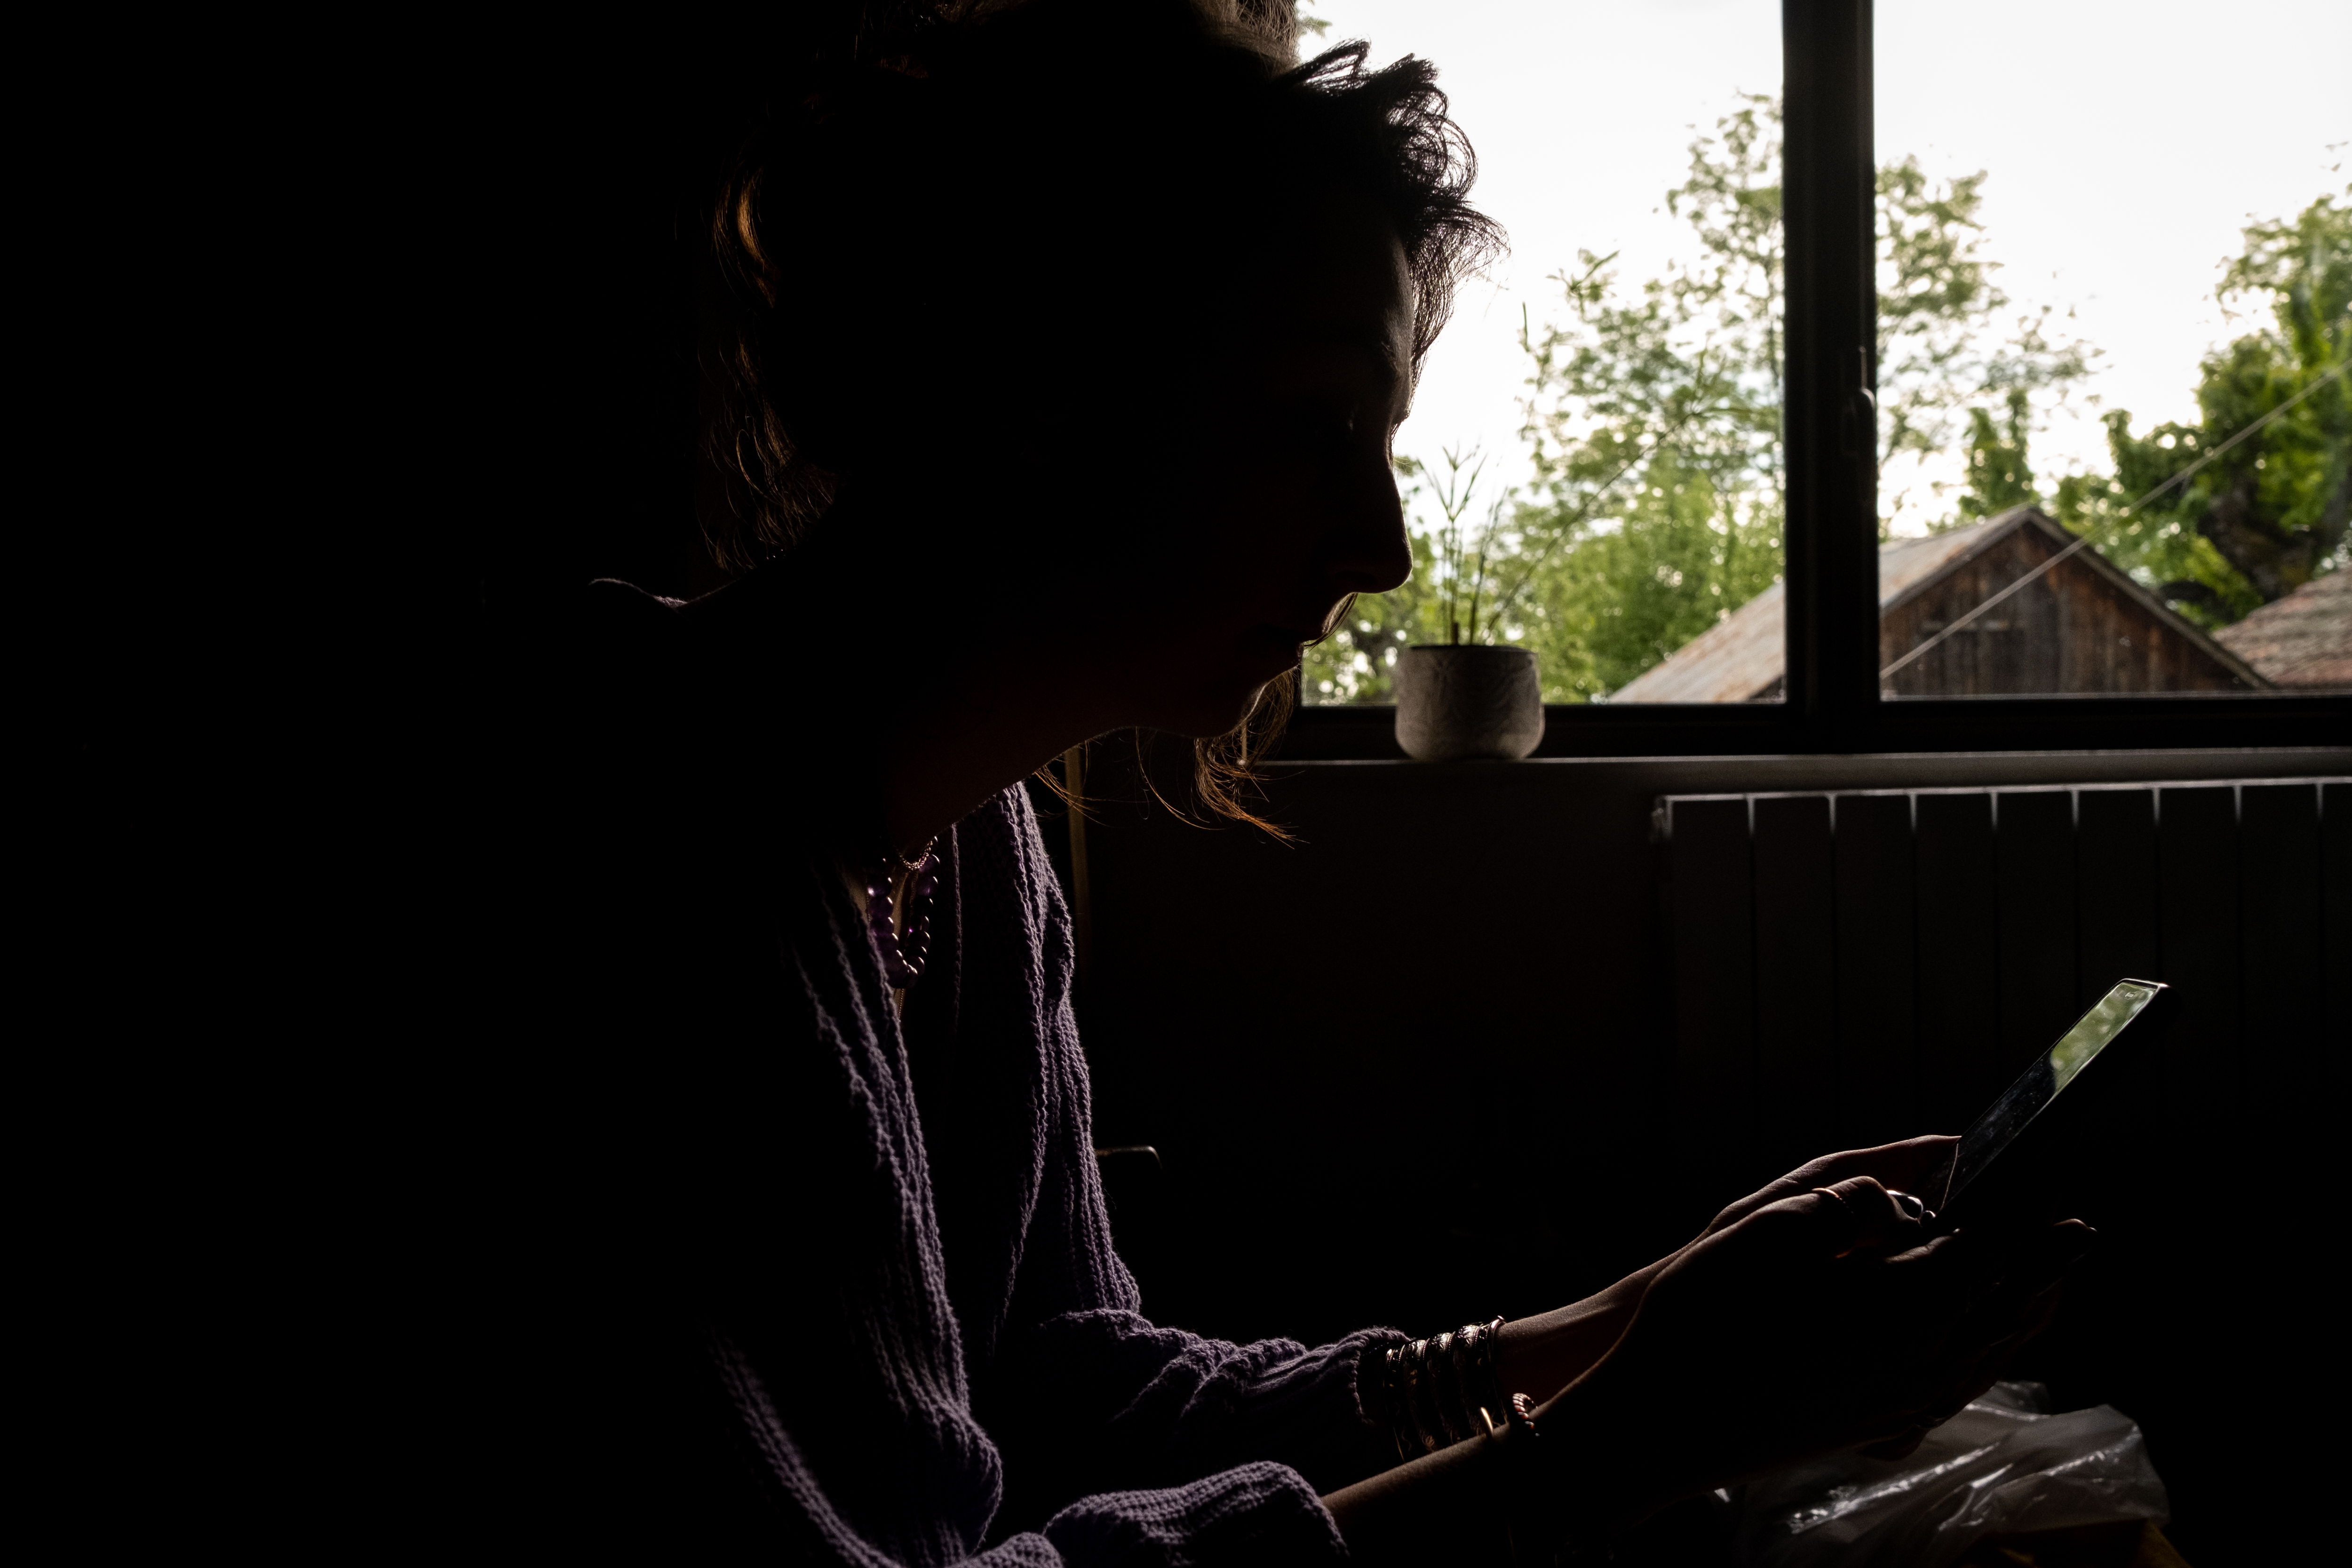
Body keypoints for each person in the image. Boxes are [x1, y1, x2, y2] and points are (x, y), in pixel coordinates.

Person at [481, 2, 2092, 1561]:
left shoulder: (972, 854)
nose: (1382, 553)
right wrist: (1632, 1441)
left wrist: (1618, 1329)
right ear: (1042, 379)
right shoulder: (626, 838)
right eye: (1321, 422)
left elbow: (1078, 1393)